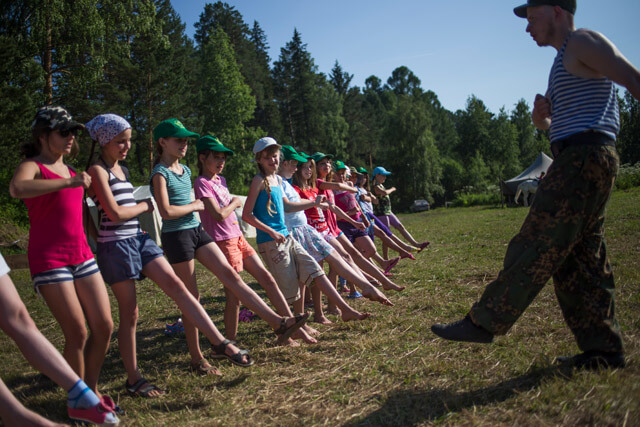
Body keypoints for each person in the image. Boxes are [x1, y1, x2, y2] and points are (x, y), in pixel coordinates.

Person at [431, 0, 640, 370]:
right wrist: (540, 118)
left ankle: (484, 321)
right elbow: (554, 124)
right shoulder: (564, 59)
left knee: (537, 240)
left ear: (557, 10)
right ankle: (603, 351)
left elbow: (632, 78)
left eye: (532, 17)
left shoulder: (582, 41)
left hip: (583, 157)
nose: (527, 27)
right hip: (584, 156)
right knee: (582, 259)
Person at [150, 119, 308, 370]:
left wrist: (203, 209)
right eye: (178, 140)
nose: (184, 144)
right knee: (192, 297)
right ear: (162, 142)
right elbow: (166, 211)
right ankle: (197, 357)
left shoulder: (187, 171)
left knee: (232, 278)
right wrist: (196, 206)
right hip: (177, 236)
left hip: (197, 231)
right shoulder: (160, 173)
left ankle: (279, 322)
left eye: (186, 140)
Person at [9, 106, 116, 408]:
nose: (71, 138)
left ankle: (88, 391)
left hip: (82, 255)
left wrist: (101, 239)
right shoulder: (33, 166)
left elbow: (81, 217)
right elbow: (17, 188)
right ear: (43, 136)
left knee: (105, 326)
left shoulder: (73, 173)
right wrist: (70, 183)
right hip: (49, 259)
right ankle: (78, 402)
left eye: (73, 132)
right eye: (63, 132)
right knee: (77, 332)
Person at [193, 135, 316, 344]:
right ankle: (228, 343)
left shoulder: (220, 180)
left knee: (267, 279)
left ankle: (291, 327)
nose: (221, 162)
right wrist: (233, 203)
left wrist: (232, 207)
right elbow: (218, 214)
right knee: (234, 296)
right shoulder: (202, 183)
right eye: (217, 158)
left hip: (238, 237)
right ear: (202, 158)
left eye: (223, 158)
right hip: (223, 241)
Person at [241, 138, 376, 325]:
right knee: (291, 288)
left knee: (315, 271)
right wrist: (271, 232)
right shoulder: (259, 181)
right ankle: (295, 326)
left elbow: (287, 206)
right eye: (267, 158)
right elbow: (247, 215)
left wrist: (314, 202)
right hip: (272, 240)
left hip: (286, 237)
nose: (273, 161)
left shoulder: (278, 180)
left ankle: (345, 309)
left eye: (275, 157)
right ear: (258, 160)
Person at [276, 145, 394, 322]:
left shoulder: (300, 187)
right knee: (313, 274)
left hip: (321, 230)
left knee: (340, 259)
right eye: (300, 165)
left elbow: (328, 205)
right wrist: (349, 189)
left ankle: (365, 287)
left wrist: (347, 216)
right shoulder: (295, 185)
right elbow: (288, 206)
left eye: (309, 166)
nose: (305, 169)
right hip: (306, 231)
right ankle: (320, 311)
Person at [0, 253, 119, 426]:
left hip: (79, 252)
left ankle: (81, 395)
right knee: (77, 332)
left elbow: (17, 319)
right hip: (49, 256)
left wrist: (80, 392)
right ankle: (14, 414)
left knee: (19, 318)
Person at [371, 166, 430, 251]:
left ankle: (416, 244)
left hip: (388, 211)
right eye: (383, 175)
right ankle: (386, 258)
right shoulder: (375, 186)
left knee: (400, 226)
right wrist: (392, 189)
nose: (385, 177)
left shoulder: (380, 185)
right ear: (377, 175)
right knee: (386, 234)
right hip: (381, 213)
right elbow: (384, 193)